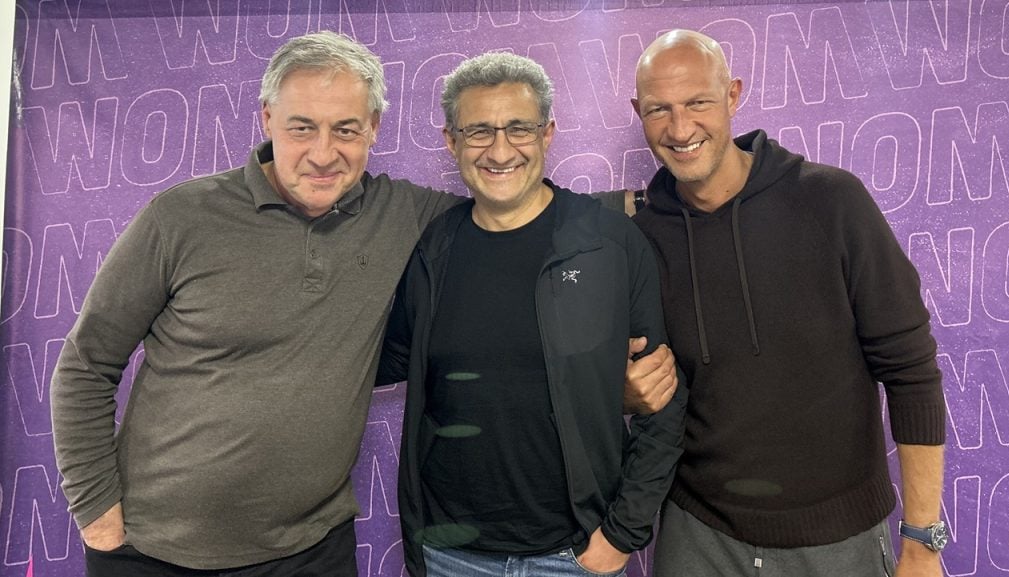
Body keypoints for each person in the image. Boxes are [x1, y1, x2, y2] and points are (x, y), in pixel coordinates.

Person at [50, 31, 676, 576]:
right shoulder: (181, 217)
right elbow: (85, 366)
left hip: (313, 550)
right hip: (156, 550)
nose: (324, 153)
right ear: (267, 119)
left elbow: (518, 204)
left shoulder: (407, 217)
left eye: (346, 129)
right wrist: (97, 514)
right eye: (302, 127)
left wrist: (657, 208)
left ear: (373, 128)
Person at [630, 29, 947, 577]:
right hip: (697, 538)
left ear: (733, 95)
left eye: (698, 102)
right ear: (639, 112)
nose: (680, 129)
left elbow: (911, 371)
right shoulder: (640, 236)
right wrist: (624, 395)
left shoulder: (832, 201)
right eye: (660, 109)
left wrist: (922, 541)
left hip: (839, 541)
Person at [374, 52, 688, 577]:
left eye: (519, 128)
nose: (500, 150)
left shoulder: (608, 243)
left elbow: (664, 401)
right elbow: (388, 360)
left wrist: (620, 536)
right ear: (451, 141)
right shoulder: (433, 249)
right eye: (479, 131)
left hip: (574, 555)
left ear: (547, 134)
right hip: (449, 554)